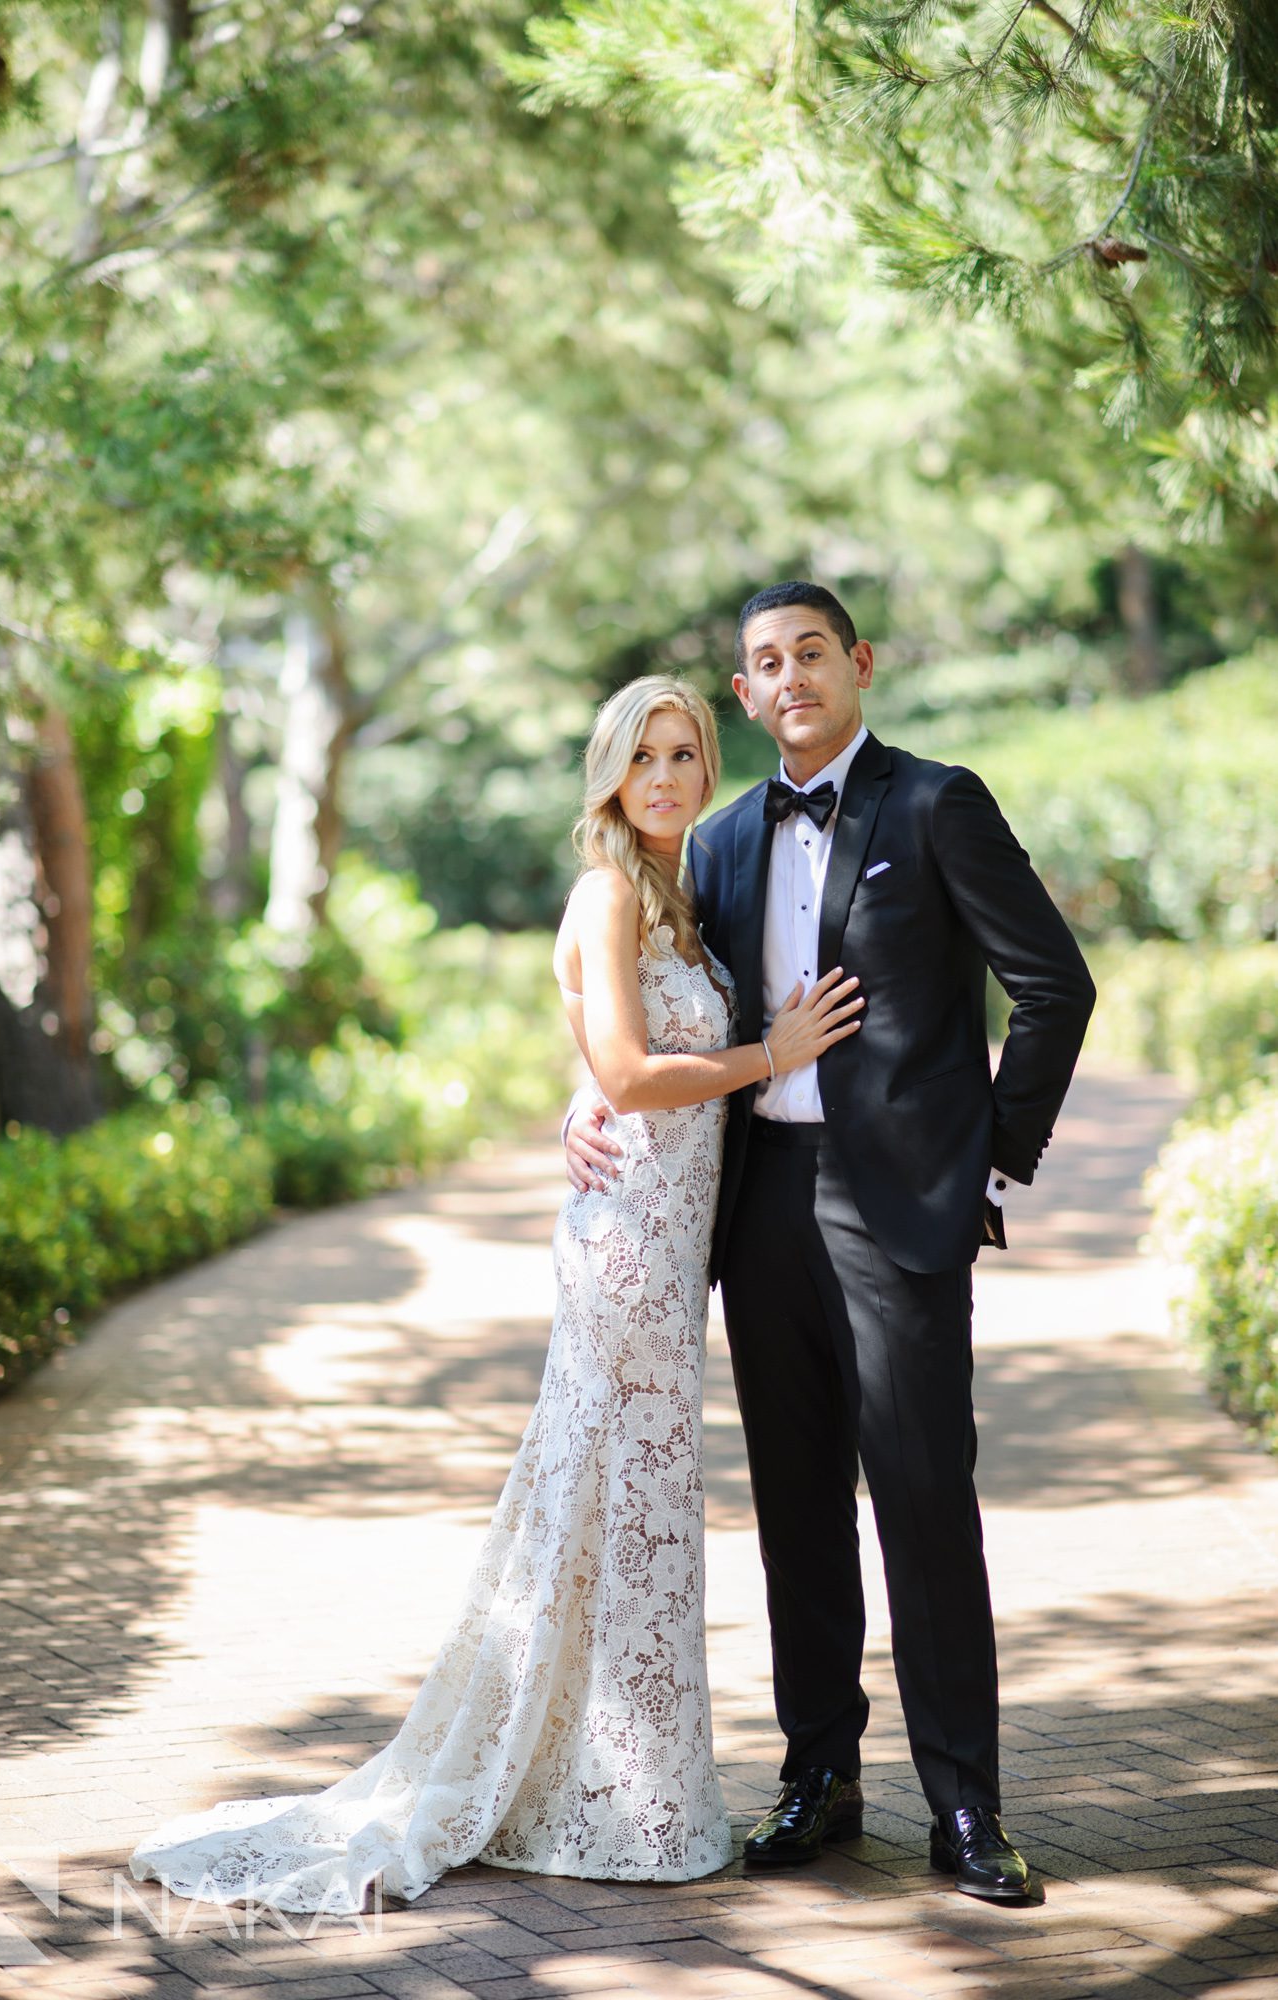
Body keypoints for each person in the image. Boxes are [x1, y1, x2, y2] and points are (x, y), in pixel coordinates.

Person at [127, 673, 864, 1916]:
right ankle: (618, 1798)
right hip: (627, 1241)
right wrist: (765, 1056)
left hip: (668, 1237)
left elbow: (601, 1051)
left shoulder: (675, 896)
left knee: (629, 1504)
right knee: (618, 1496)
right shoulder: (605, 889)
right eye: (648, 758)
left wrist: (614, 1079)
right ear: (610, 778)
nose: (674, 777)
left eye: (687, 753)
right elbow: (629, 1074)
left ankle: (611, 1777)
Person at [565, 584, 1096, 1904]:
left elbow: (1052, 986)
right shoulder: (723, 837)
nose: (789, 675)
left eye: (811, 651)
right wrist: (591, 1091)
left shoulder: (934, 805)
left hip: (897, 1213)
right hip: (756, 1211)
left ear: (854, 665)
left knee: (921, 1503)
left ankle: (965, 1810)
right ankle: (817, 1779)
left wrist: (989, 1154)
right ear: (742, 697)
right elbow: (651, 997)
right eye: (763, 662)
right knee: (796, 1512)